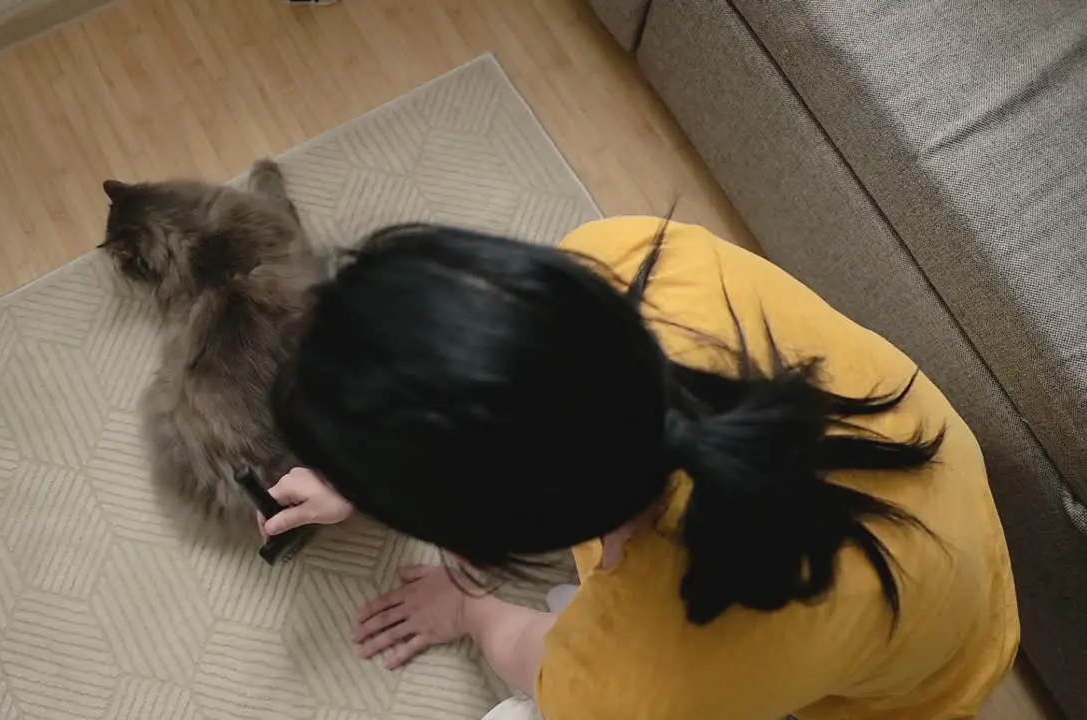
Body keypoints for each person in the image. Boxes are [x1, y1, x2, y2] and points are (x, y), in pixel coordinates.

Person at [260, 217, 1020, 719]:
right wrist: (365, 447)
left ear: (477, 548)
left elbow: (542, 666)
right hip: (957, 530)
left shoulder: (643, 681)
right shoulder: (628, 253)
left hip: (913, 691)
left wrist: (469, 610)